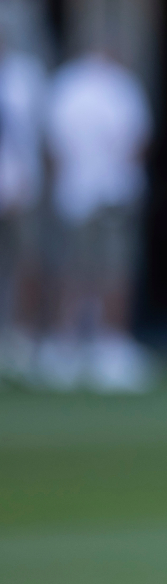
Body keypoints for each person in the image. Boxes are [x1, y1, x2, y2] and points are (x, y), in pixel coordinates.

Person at [42, 51, 154, 393]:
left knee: (78, 270)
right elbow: (136, 143)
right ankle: (106, 346)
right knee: (109, 271)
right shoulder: (121, 87)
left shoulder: (66, 85)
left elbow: (52, 147)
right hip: (108, 192)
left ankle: (67, 348)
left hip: (77, 193)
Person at [0, 35, 45, 383]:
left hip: (22, 187)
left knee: (27, 262)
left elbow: (39, 134)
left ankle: (22, 339)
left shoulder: (26, 76)